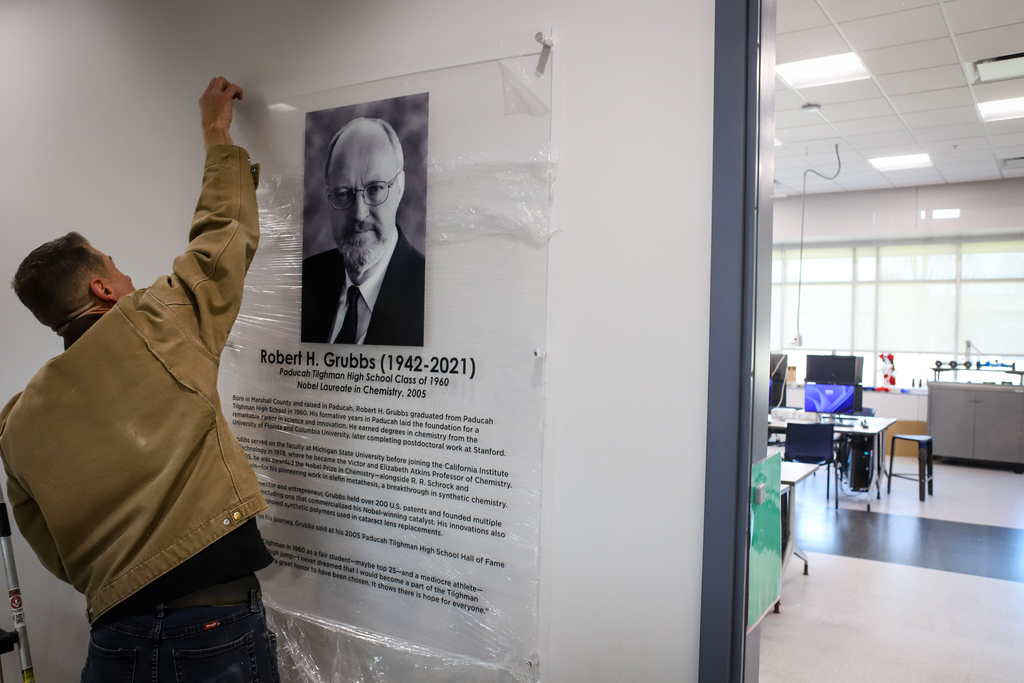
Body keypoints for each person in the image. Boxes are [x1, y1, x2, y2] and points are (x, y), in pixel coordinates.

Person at [1, 78, 280, 682]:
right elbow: (221, 239)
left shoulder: (17, 424)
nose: (126, 275)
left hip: (115, 637)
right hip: (214, 626)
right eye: (114, 265)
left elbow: (49, 545)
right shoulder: (158, 323)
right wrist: (216, 133)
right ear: (102, 288)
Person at [301, 117, 425, 346]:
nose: (359, 214)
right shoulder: (305, 280)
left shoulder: (426, 291)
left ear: (399, 188)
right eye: (343, 193)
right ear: (329, 198)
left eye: (376, 189)